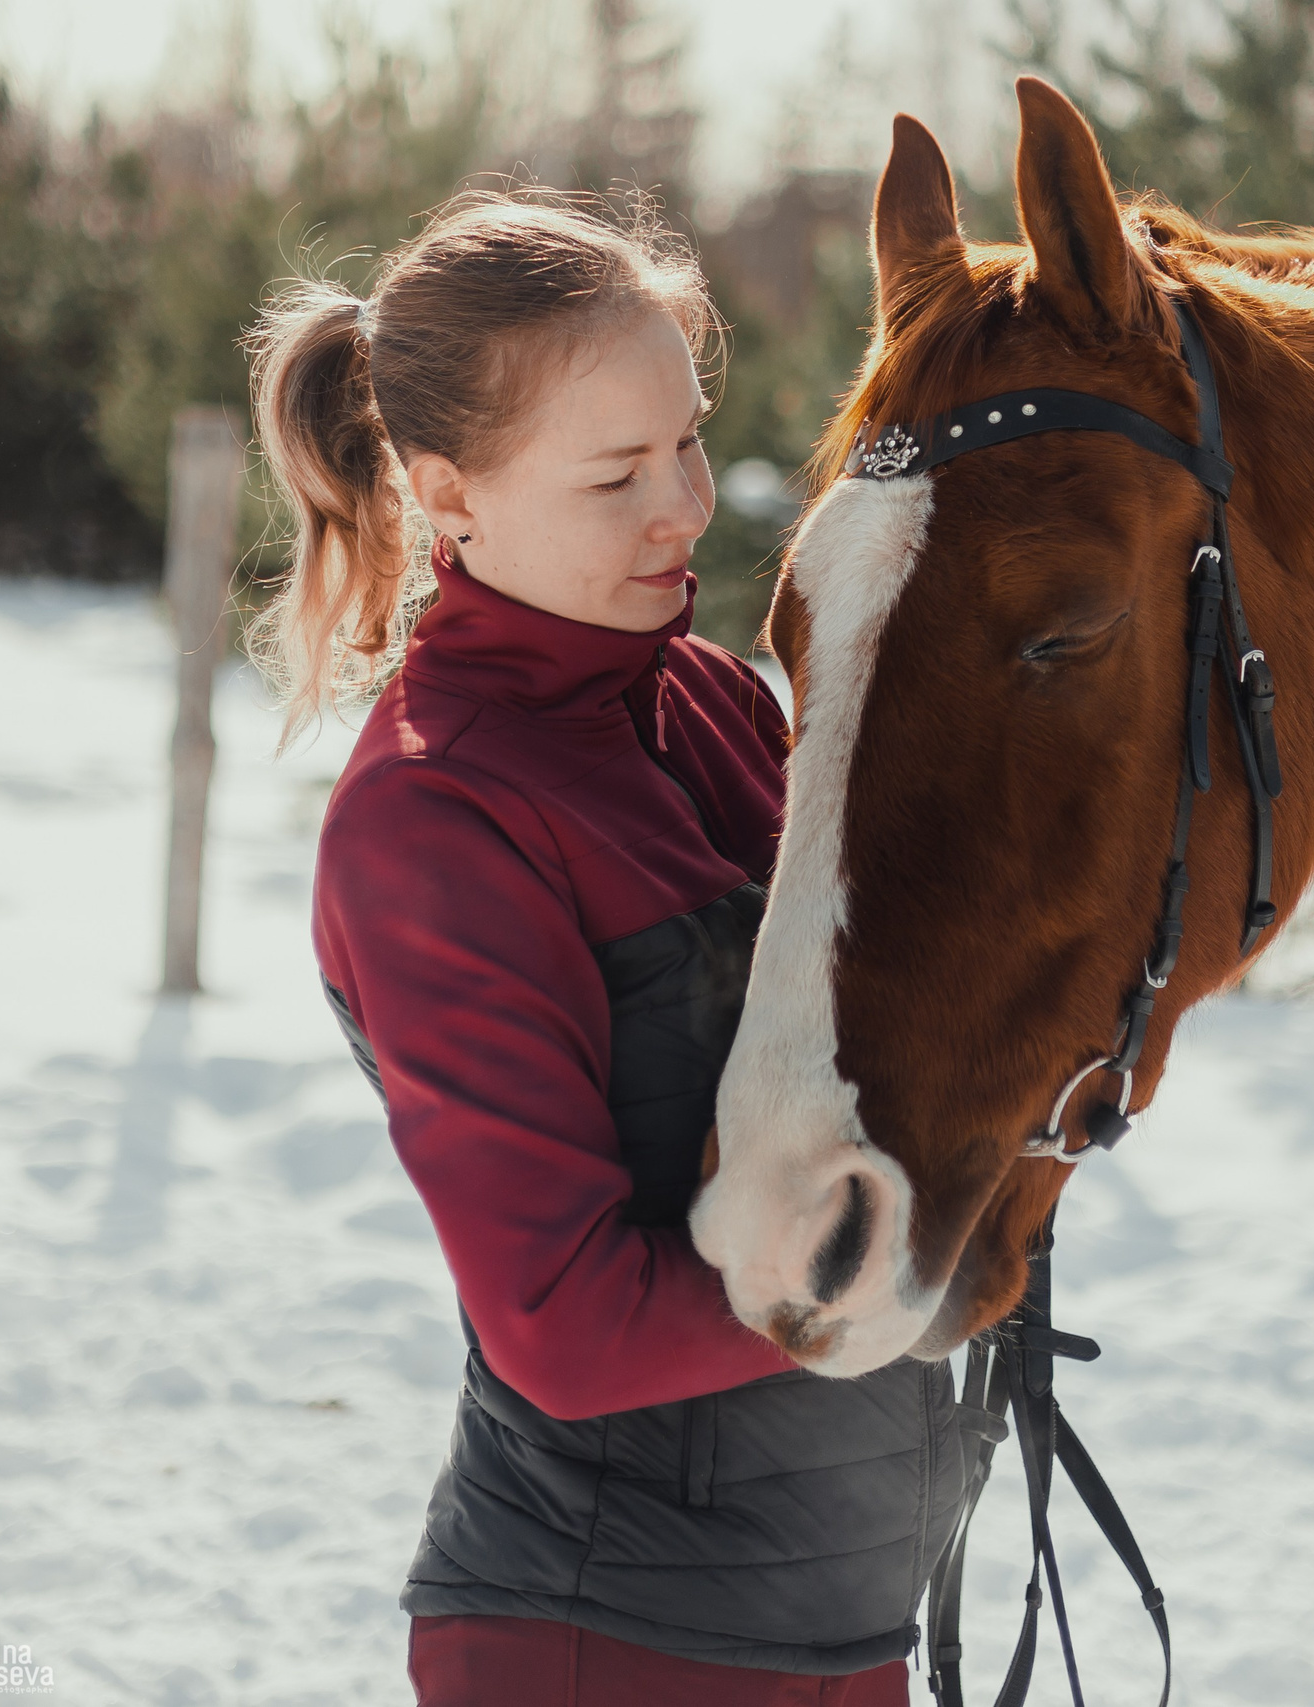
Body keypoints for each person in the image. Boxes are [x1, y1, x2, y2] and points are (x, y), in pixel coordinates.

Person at [246, 191, 967, 1704]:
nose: (686, 506)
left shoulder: (716, 700)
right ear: (452, 497)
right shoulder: (435, 821)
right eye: (615, 473)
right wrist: (896, 1267)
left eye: (690, 441)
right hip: (604, 1643)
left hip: (844, 1621)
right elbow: (565, 1330)